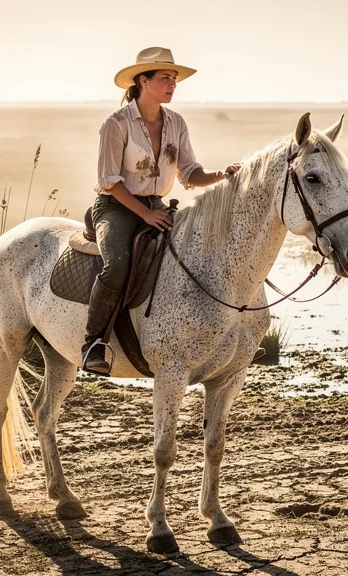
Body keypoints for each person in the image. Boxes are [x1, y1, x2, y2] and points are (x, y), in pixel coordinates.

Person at [82, 47, 242, 374]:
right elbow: (109, 181)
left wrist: (220, 175)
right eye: (165, 78)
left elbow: (189, 173)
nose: (172, 84)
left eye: (174, 79)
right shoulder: (117, 123)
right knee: (116, 266)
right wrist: (144, 215)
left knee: (203, 252)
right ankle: (93, 342)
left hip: (158, 206)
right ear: (143, 81)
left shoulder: (176, 123)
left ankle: (221, 335)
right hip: (117, 207)